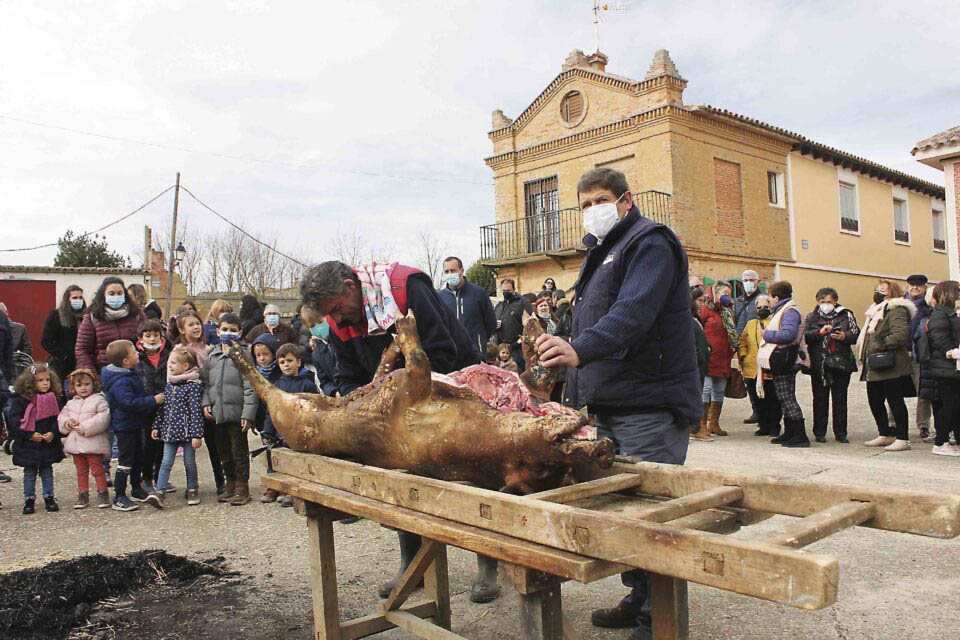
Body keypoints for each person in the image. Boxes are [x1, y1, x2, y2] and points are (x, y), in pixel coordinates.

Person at [535, 167, 700, 640]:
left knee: (653, 517)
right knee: (622, 512)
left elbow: (634, 312)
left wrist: (580, 349)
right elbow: (594, 315)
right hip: (609, 402)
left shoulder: (650, 243)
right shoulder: (601, 252)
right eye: (584, 204)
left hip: (649, 404)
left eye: (600, 200)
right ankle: (639, 596)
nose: (592, 211)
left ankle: (658, 621)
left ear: (625, 200)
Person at [298, 259, 498, 604]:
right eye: (332, 314)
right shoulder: (339, 319)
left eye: (338, 309)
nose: (339, 318)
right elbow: (348, 372)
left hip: (452, 383)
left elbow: (442, 349)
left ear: (350, 287)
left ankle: (488, 564)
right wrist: (354, 403)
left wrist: (398, 394)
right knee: (401, 477)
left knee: (473, 473)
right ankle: (413, 564)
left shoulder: (406, 287)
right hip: (394, 407)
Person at [101, 339, 164, 511]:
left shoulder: (128, 373)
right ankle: (119, 496)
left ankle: (137, 488)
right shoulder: (120, 381)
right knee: (126, 460)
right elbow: (128, 402)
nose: (138, 354)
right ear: (126, 361)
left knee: (138, 457)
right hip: (125, 427)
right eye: (134, 352)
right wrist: (153, 400)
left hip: (136, 424)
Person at [202, 313, 258, 506]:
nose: (228, 333)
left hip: (237, 414)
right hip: (218, 414)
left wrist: (248, 414)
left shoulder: (244, 356)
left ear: (240, 333)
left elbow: (251, 386)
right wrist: (206, 403)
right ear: (217, 331)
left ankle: (242, 485)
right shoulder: (212, 356)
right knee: (223, 451)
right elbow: (206, 384)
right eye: (225, 329)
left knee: (239, 451)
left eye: (233, 330)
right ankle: (230, 483)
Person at [857, 280, 916, 451]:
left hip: (891, 364)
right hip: (874, 364)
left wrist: (878, 344)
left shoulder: (897, 309)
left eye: (883, 290)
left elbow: (900, 336)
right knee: (874, 400)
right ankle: (884, 433)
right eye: (877, 289)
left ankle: (902, 438)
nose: (878, 292)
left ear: (893, 293)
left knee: (895, 401)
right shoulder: (874, 311)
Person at [147, 346, 205, 508]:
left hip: (187, 433)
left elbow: (195, 412)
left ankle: (192, 488)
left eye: (173, 363)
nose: (170, 366)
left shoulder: (193, 386)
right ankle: (160, 491)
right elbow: (163, 408)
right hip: (169, 432)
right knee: (166, 462)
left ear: (185, 366)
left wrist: (196, 435)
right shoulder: (170, 385)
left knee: (189, 462)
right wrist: (157, 426)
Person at [803, 288, 860, 443]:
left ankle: (841, 433)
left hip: (840, 362)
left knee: (840, 398)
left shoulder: (845, 314)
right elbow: (804, 336)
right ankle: (819, 432)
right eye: (822, 302)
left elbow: (856, 334)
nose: (826, 305)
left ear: (835, 301)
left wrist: (844, 336)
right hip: (819, 363)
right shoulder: (812, 316)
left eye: (829, 302)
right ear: (817, 302)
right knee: (820, 398)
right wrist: (820, 333)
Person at [6, 365, 64, 514]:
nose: (45, 383)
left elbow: (57, 419)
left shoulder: (52, 399)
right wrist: (29, 434)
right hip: (28, 444)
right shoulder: (21, 401)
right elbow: (15, 421)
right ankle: (29, 499)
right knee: (29, 472)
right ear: (31, 382)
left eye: (47, 380)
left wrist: (53, 432)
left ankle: (49, 497)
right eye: (40, 380)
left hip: (47, 443)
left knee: (47, 471)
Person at [759, 281, 809, 447]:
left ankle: (800, 435)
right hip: (784, 359)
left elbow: (788, 335)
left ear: (776, 297)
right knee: (783, 396)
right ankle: (790, 432)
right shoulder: (785, 310)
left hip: (787, 359)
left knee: (787, 397)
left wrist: (767, 334)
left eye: (770, 297)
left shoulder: (789, 312)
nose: (769, 302)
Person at [58, 368, 110, 509]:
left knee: (97, 469)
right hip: (76, 444)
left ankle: (102, 492)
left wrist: (85, 427)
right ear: (73, 388)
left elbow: (103, 418)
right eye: (79, 385)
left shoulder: (99, 400)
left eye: (87, 384)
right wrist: (67, 423)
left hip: (93, 442)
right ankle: (83, 494)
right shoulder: (71, 403)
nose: (83, 388)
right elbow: (62, 416)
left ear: (93, 384)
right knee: (80, 471)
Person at [75, 277, 147, 372]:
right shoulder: (93, 317)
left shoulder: (136, 314)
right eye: (111, 293)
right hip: (105, 373)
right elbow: (82, 350)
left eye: (119, 293)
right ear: (103, 295)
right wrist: (92, 374)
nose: (116, 296)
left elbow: (148, 340)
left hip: (136, 371)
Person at [134, 320, 172, 494]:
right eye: (147, 336)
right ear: (141, 338)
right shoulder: (136, 357)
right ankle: (146, 478)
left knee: (163, 444)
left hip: (165, 405)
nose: (152, 339)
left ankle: (160, 477)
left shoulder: (168, 354)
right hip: (146, 406)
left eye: (155, 335)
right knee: (148, 444)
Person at [736, 296, 782, 439]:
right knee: (757, 400)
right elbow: (742, 342)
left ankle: (774, 426)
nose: (762, 310)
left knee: (773, 399)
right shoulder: (750, 324)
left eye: (765, 307)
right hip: (751, 368)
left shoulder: (775, 322)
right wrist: (743, 356)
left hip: (769, 367)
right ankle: (763, 425)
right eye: (759, 308)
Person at [924, 281, 960, 456]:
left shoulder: (951, 313)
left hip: (952, 367)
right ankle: (941, 442)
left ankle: (952, 441)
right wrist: (952, 353)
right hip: (946, 367)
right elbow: (939, 339)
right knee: (947, 406)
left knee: (954, 406)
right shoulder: (941, 314)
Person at [438, 256, 497, 361]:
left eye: (453, 270)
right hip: (451, 355)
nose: (450, 274)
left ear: (461, 271)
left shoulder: (479, 293)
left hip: (475, 353)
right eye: (446, 271)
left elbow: (491, 323)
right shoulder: (440, 297)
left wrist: (479, 340)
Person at [699, 282, 737, 436]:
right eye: (723, 293)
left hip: (723, 357)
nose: (726, 296)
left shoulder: (727, 312)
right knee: (705, 389)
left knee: (719, 390)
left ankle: (714, 423)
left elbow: (731, 333)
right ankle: (700, 424)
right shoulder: (705, 310)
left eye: (728, 293)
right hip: (708, 357)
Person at [249, 333, 283, 503]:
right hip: (264, 420)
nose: (262, 359)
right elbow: (253, 399)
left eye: (265, 354)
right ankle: (273, 485)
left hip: (281, 419)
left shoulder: (280, 373)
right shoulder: (255, 374)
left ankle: (285, 485)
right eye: (258, 355)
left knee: (284, 451)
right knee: (269, 451)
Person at [904, 274, 933, 442]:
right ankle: (893, 423)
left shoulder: (929, 306)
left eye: (919, 285)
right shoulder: (899, 304)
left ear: (924, 287)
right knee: (896, 390)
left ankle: (923, 425)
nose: (915, 287)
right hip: (900, 353)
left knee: (923, 391)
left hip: (918, 354)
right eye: (912, 285)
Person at [41, 285, 86, 383]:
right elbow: (46, 341)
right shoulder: (56, 315)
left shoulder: (86, 316)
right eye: (74, 298)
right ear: (67, 299)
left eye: (80, 297)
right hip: (62, 365)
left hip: (83, 362)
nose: (78, 300)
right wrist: (64, 355)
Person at [735, 270, 762, 424]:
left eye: (751, 280)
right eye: (745, 280)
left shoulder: (762, 299)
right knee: (748, 379)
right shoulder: (738, 300)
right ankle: (755, 410)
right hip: (742, 343)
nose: (748, 283)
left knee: (760, 377)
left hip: (756, 343)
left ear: (757, 282)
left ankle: (764, 411)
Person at [494, 278, 533, 373]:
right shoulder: (499, 306)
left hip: (517, 350)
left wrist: (522, 340)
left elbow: (531, 324)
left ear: (514, 289)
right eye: (503, 291)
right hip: (501, 350)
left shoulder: (523, 302)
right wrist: (494, 326)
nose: (506, 293)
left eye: (508, 291)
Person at [307, 319, 339, 397]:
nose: (318, 327)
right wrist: (334, 392)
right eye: (313, 326)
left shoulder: (344, 340)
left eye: (320, 322)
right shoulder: (317, 354)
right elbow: (324, 381)